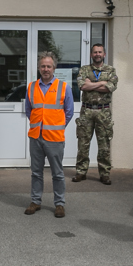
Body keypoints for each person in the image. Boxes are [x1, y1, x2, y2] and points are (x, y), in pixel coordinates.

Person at [24, 52, 74, 218]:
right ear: (39, 68)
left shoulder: (64, 87)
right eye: (43, 66)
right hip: (36, 136)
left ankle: (59, 204)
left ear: (54, 68)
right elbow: (29, 110)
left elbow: (69, 112)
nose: (45, 69)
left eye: (49, 66)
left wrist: (57, 127)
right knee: (36, 172)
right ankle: (35, 201)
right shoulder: (31, 87)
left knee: (57, 173)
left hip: (54, 138)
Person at [74, 44, 118, 185]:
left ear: (104, 54)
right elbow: (82, 86)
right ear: (91, 54)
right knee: (83, 144)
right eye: (95, 52)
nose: (97, 54)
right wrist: (102, 83)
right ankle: (81, 172)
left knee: (104, 145)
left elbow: (110, 88)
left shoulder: (111, 70)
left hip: (103, 111)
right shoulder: (84, 69)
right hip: (86, 111)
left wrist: (91, 83)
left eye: (100, 52)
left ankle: (104, 174)